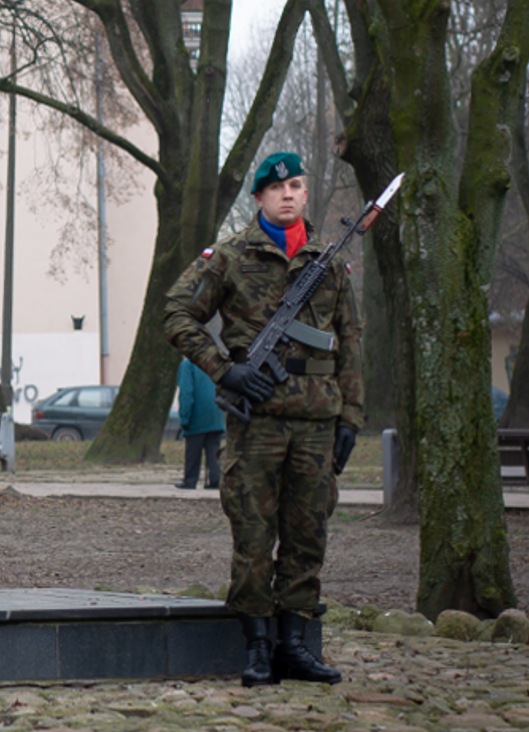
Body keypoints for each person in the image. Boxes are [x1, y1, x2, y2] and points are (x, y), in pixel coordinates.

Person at [162, 151, 362, 688]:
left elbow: (351, 342)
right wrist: (224, 372)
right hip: (258, 423)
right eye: (278, 188)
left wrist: (352, 417)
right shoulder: (229, 257)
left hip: (319, 422)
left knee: (307, 536)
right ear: (259, 198)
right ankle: (255, 648)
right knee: (253, 537)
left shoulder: (329, 259)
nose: (290, 194)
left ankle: (294, 646)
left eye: (297, 185)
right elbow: (177, 313)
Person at [176, 356, 223, 489]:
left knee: (193, 450)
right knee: (213, 449)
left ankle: (190, 480)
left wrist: (185, 417)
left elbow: (186, 392)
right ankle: (215, 479)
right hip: (216, 411)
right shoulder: (214, 361)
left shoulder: (188, 364)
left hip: (197, 413)